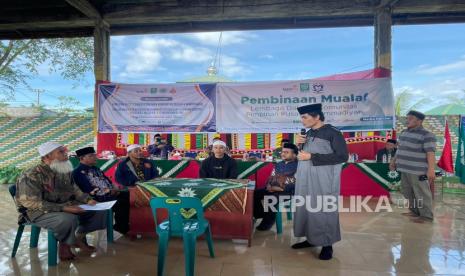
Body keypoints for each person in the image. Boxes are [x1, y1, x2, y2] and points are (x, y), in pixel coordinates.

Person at [15, 142, 107, 261]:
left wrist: (88, 199)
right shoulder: (31, 174)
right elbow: (31, 203)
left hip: (64, 205)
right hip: (37, 211)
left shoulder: (64, 170)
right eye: (61, 152)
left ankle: (78, 237)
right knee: (67, 219)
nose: (66, 154)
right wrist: (64, 208)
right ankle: (65, 245)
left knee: (100, 211)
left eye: (65, 151)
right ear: (47, 156)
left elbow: (74, 189)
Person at [292, 103, 348, 260]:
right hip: (305, 177)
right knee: (306, 207)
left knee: (324, 209)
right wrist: (299, 144)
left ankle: (327, 244)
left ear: (317, 117)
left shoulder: (333, 133)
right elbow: (302, 154)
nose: (302, 120)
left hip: (324, 179)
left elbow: (342, 156)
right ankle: (311, 239)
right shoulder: (308, 132)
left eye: (304, 117)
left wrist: (312, 157)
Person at [390, 110, 436, 223]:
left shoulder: (427, 135)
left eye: (410, 118)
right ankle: (414, 211)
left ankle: (426, 216)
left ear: (419, 121)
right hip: (404, 168)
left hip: (418, 170)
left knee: (421, 193)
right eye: (407, 118)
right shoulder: (404, 132)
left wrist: (431, 170)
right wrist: (393, 161)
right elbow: (399, 149)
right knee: (407, 191)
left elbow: (430, 153)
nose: (407, 120)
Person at [72, 146, 130, 235]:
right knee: (121, 203)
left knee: (129, 195)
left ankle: (129, 225)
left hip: (108, 193)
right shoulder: (78, 172)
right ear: (82, 158)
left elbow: (108, 182)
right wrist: (111, 192)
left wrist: (114, 189)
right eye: (91, 156)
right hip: (95, 199)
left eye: (95, 155)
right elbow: (89, 191)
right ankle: (122, 228)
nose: (95, 157)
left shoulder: (96, 169)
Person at [254, 143, 298, 231]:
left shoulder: (299, 166)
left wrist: (279, 188)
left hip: (287, 191)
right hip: (273, 188)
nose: (283, 154)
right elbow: (271, 177)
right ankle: (260, 214)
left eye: (287, 152)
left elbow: (295, 181)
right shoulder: (279, 164)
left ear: (294, 155)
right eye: (283, 152)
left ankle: (268, 221)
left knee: (270, 198)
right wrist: (269, 186)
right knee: (254, 193)